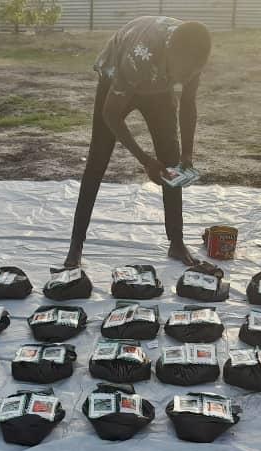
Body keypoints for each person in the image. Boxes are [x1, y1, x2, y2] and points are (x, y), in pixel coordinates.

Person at [64, 16, 212, 269]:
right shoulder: (139, 58)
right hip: (119, 75)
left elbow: (188, 105)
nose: (183, 80)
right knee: (97, 160)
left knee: (172, 163)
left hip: (156, 86)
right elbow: (110, 114)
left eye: (190, 75)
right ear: (171, 56)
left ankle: (176, 243)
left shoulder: (193, 58)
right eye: (181, 73)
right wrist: (144, 160)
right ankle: (75, 246)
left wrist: (187, 154)